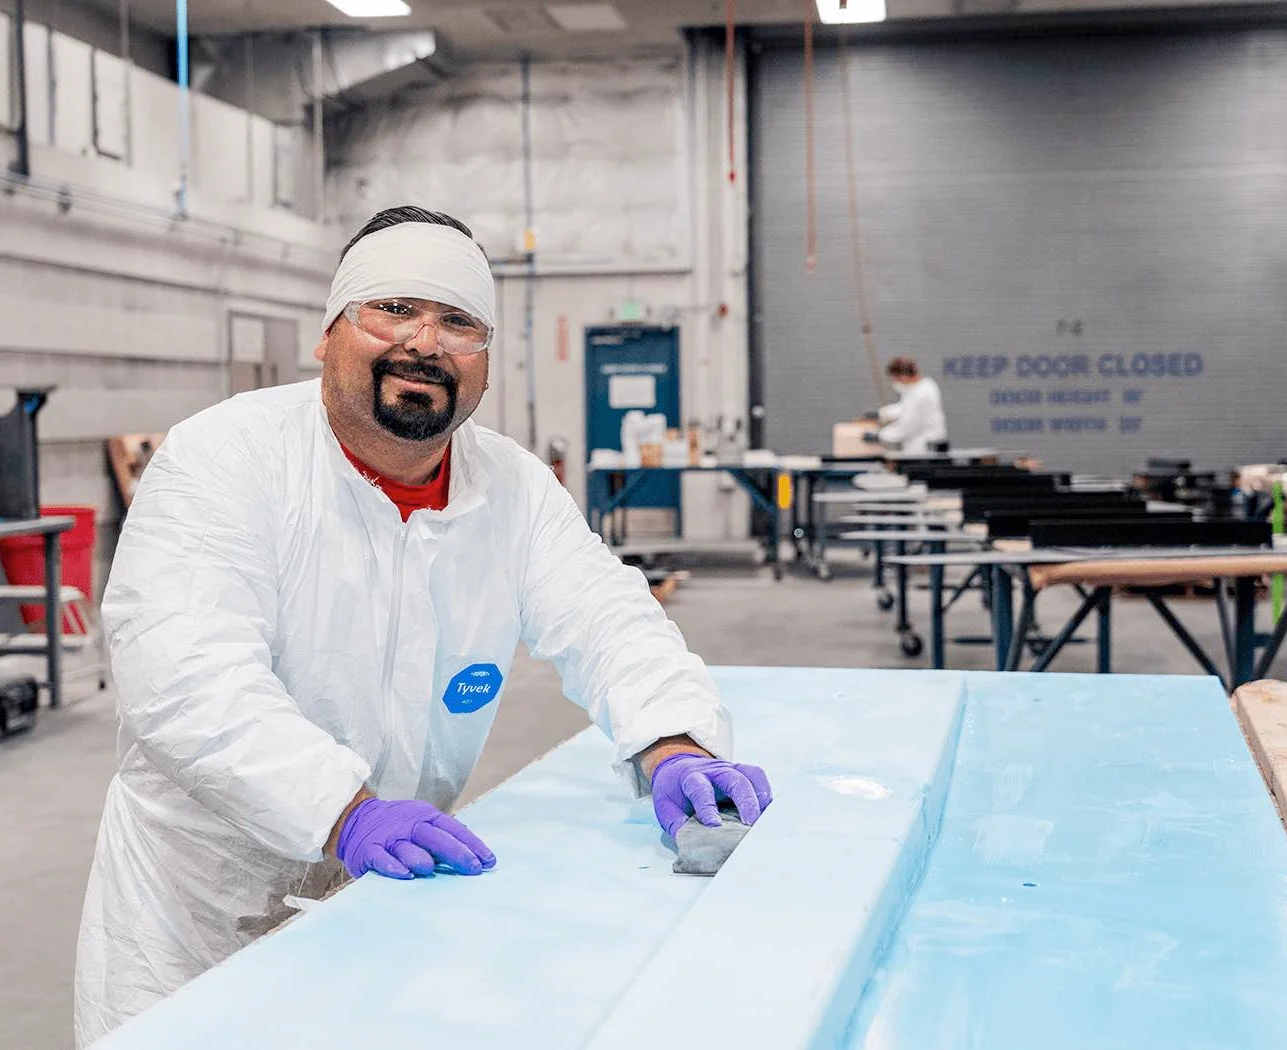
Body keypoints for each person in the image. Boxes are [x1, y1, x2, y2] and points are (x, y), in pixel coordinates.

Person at [73, 205, 773, 1046]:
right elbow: (186, 679)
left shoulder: (510, 487)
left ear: (483, 363)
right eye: (393, 309)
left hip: (390, 910)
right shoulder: (223, 460)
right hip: (198, 922)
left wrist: (675, 742)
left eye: (458, 321)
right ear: (328, 336)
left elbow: (607, 615)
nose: (425, 342)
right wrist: (344, 811)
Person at [875, 356, 947, 455]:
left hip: (922, 446)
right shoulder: (920, 387)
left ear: (904, 376)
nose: (895, 383)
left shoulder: (922, 393)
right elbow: (905, 407)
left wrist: (880, 435)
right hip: (920, 441)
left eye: (896, 379)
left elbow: (907, 426)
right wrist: (883, 413)